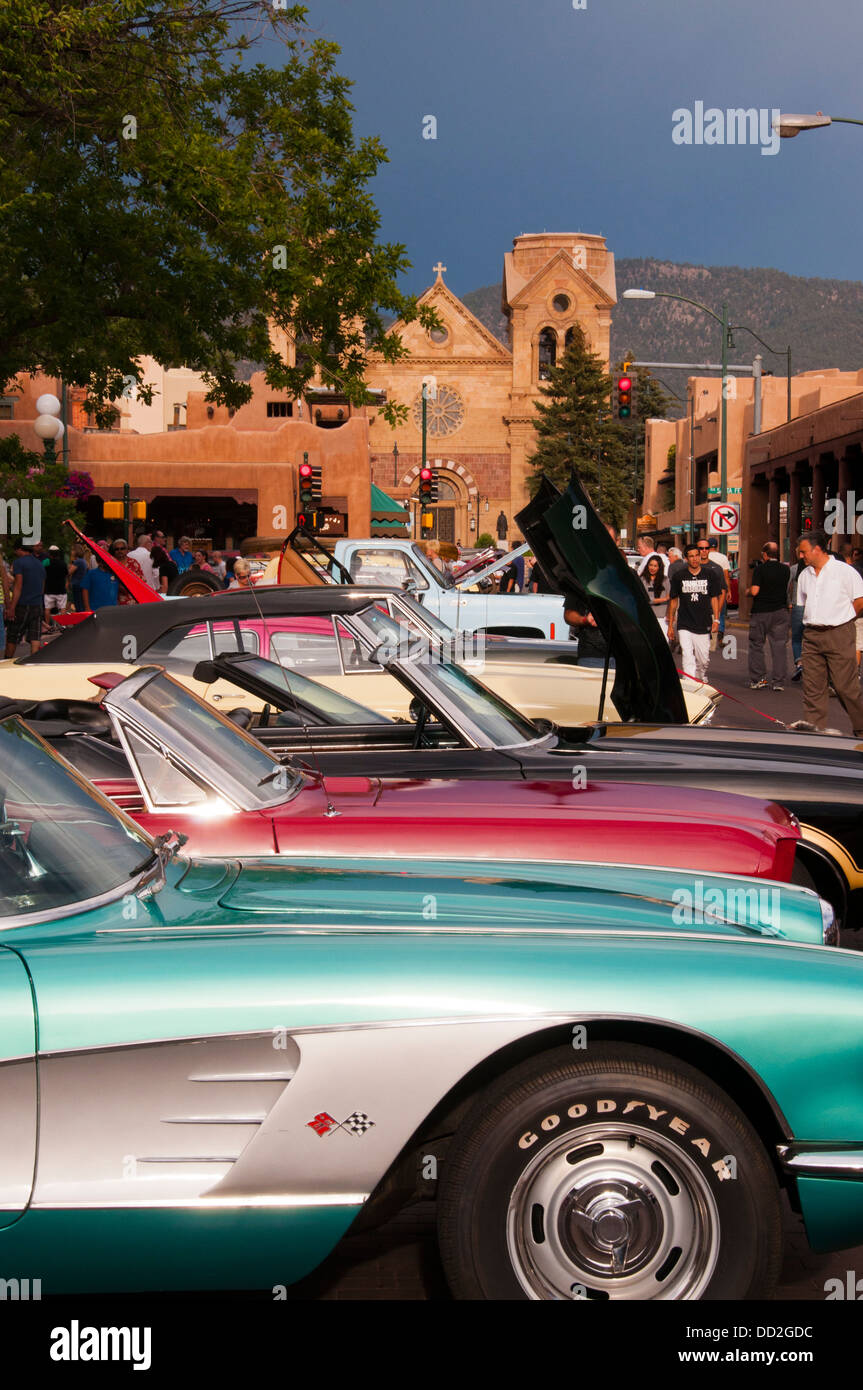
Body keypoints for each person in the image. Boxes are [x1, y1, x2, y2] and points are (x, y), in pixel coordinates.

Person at [793, 529, 863, 737]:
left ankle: (861, 729)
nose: (801, 556)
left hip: (839, 633)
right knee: (813, 689)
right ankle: (814, 734)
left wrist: (844, 619)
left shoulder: (845, 571)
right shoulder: (804, 575)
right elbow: (803, 604)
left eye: (804, 552)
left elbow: (859, 601)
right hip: (812, 634)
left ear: (817, 549)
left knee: (845, 688)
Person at [666, 542, 722, 682]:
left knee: (703, 659)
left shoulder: (710, 574)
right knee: (687, 655)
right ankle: (690, 682)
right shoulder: (679, 576)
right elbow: (674, 601)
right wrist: (671, 625)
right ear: (686, 559)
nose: (695, 558)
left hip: (703, 623)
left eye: (697, 555)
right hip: (685, 623)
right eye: (691, 556)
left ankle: (700, 675)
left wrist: (716, 620)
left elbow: (714, 598)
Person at [746, 541, 790, 691]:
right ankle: (778, 682)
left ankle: (758, 679)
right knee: (779, 646)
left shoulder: (760, 570)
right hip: (780, 611)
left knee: (756, 644)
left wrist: (747, 591)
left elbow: (754, 591)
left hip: (761, 611)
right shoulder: (786, 570)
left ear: (764, 554)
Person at [5, 542, 46, 657]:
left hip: (23, 604)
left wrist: (12, 607)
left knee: (13, 636)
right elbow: (42, 587)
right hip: (37, 604)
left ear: (19, 550)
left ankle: (6, 661)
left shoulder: (19, 563)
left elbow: (18, 586)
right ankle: (34, 661)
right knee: (35, 636)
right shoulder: (39, 564)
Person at [695, 540, 729, 647]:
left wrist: (717, 613)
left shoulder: (717, 568)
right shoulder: (690, 567)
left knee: (707, 651)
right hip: (693, 614)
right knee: (693, 648)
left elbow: (722, 591)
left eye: (706, 548)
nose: (704, 551)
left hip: (710, 613)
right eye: (701, 548)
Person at [563, 591, 610, 669]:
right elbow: (568, 614)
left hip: (627, 654)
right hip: (592, 655)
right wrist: (585, 620)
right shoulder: (579, 583)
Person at [109, 538, 146, 605]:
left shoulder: (133, 563)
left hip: (133, 601)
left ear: (126, 550)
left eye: (122, 548)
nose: (119, 551)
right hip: (115, 601)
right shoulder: (110, 564)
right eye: (117, 549)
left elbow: (143, 580)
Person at [640, 554, 670, 634]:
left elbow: (671, 598)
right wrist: (664, 599)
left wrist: (670, 615)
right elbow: (646, 599)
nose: (652, 568)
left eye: (655, 566)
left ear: (659, 567)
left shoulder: (665, 580)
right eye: (651, 565)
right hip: (648, 617)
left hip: (662, 618)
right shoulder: (642, 580)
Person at [43, 544, 69, 628]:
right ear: (58, 554)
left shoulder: (47, 563)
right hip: (61, 589)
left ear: (49, 554)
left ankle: (47, 626)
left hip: (49, 590)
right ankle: (63, 625)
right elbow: (66, 575)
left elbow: (43, 575)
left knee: (47, 608)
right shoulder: (63, 564)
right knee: (62, 608)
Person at [788, 557, 806, 682]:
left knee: (796, 638)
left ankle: (799, 664)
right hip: (812, 606)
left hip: (798, 606)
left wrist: (789, 602)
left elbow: (787, 587)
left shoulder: (794, 569)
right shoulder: (814, 569)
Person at [68, 545, 89, 611]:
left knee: (78, 605)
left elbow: (69, 572)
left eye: (73, 550)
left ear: (76, 551)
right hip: (81, 584)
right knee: (80, 604)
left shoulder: (78, 561)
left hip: (77, 585)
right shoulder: (83, 561)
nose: (71, 552)